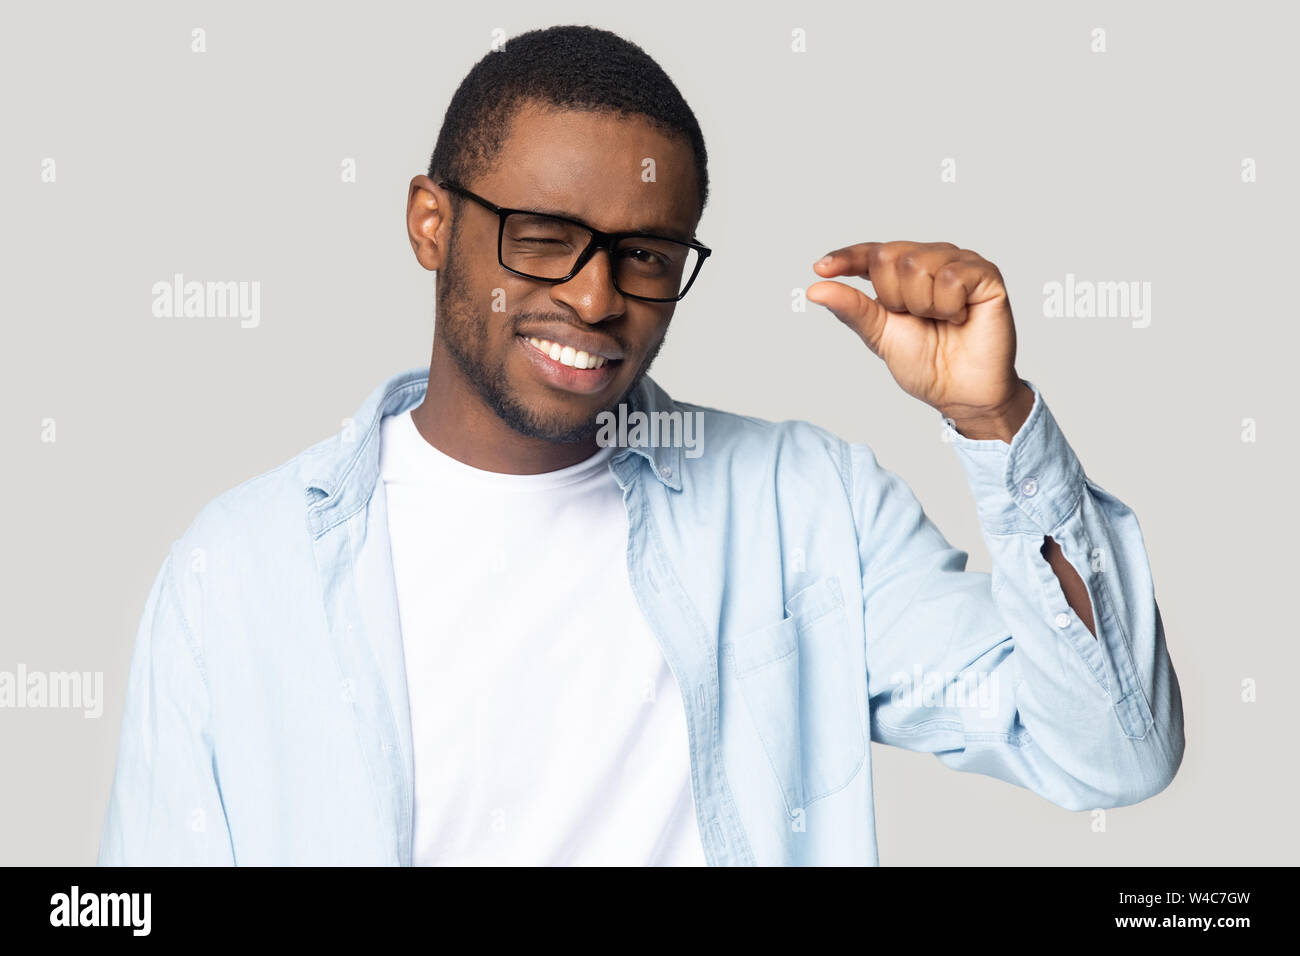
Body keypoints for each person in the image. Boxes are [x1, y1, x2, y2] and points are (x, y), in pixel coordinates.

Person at [98, 24, 1183, 866]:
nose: (594, 294)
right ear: (433, 222)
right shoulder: (238, 569)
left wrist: (994, 423)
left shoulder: (802, 507)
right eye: (542, 239)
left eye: (646, 254)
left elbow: (1111, 751)